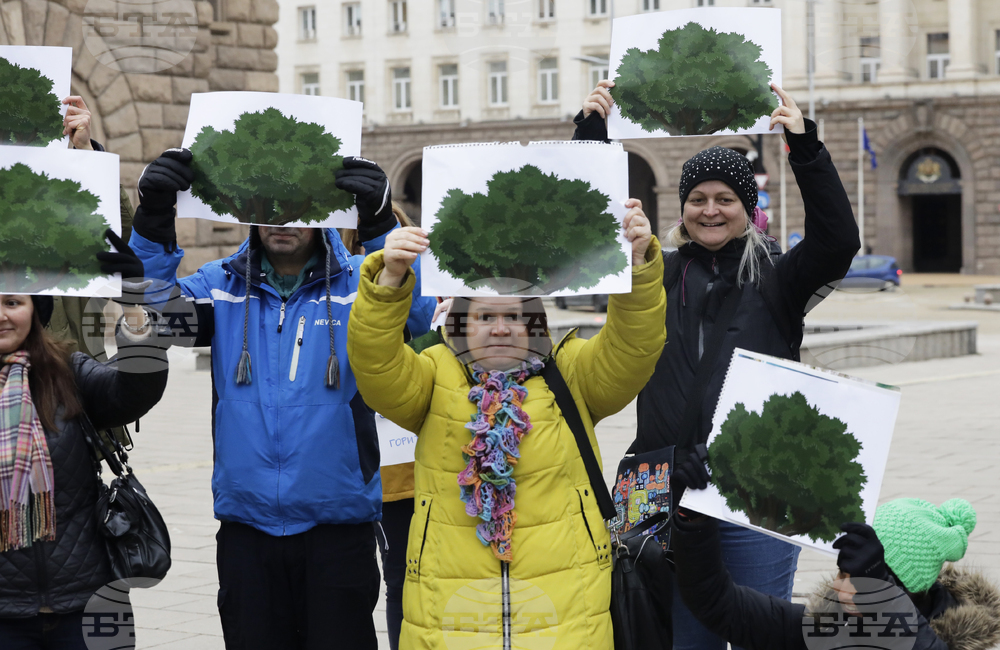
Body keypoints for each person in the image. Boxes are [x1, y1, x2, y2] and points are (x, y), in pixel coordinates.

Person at [574, 80, 861, 648]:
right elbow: (585, 228)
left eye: (725, 199)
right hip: (660, 483)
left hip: (759, 485)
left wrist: (805, 147)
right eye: (698, 199)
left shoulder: (780, 275)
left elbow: (837, 241)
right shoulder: (651, 270)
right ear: (680, 207)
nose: (710, 210)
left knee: (759, 629)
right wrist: (590, 138)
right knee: (680, 636)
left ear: (746, 209)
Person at [128, 149, 431, 649]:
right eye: (268, 206)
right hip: (247, 528)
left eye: (299, 207)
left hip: (340, 525)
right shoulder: (220, 284)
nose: (282, 220)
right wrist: (155, 217)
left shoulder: (363, 278)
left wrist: (378, 224)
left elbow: (417, 317)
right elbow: (151, 312)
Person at [347, 201, 666, 649]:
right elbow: (376, 368)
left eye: (515, 316)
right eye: (484, 316)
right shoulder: (434, 373)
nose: (500, 329)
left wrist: (636, 268)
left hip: (566, 610)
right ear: (459, 323)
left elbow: (634, 348)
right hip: (450, 609)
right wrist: (390, 279)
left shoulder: (570, 373)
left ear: (534, 324)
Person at [0, 242, 169, 648]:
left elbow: (135, 391)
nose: (0, 315)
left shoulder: (68, 371)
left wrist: (133, 307)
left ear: (35, 313)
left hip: (90, 598)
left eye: (11, 302)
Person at [669, 456, 1000, 650]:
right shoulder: (828, 628)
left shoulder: (963, 641)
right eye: (843, 571)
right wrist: (695, 520)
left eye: (858, 579)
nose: (839, 585)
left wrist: (878, 594)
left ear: (903, 591)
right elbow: (718, 605)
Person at [342, 203, 436, 650]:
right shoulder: (343, 288)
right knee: (401, 578)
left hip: (427, 458)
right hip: (386, 469)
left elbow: (425, 330)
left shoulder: (423, 296)